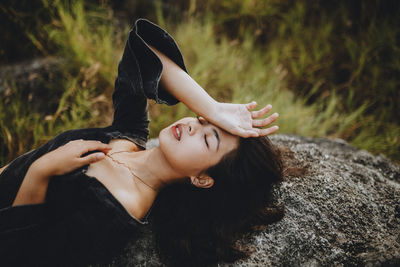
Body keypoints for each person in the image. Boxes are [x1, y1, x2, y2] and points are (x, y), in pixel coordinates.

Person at [0, 18, 283, 266]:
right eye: (199, 120)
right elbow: (142, 47)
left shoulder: (116, 213)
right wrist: (213, 108)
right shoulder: (130, 134)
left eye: (208, 139)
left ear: (202, 179)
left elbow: (21, 254)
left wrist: (42, 170)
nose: (190, 125)